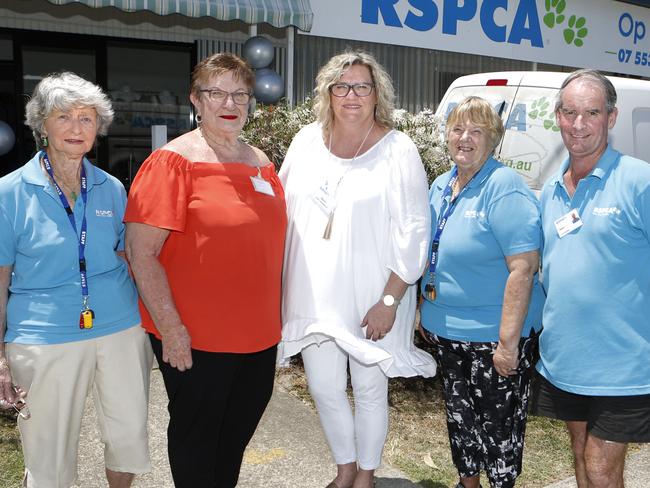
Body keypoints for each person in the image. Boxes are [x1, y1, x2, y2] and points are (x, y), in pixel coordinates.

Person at [124, 53, 286, 488]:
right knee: (198, 441)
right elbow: (142, 253)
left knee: (232, 439)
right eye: (216, 92)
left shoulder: (262, 162)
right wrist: (171, 328)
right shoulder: (172, 162)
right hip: (198, 338)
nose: (229, 102)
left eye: (240, 93)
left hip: (258, 336)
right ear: (196, 99)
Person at [279, 50, 435, 488]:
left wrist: (389, 300)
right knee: (324, 388)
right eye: (342, 86)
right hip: (313, 293)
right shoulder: (305, 142)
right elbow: (283, 212)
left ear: (376, 94)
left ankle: (365, 474)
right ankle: (344, 468)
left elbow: (413, 230)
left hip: (375, 296)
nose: (351, 95)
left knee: (369, 390)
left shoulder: (397, 149)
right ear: (328, 93)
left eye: (362, 86)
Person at [0, 72, 152, 487]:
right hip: (43, 335)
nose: (76, 128)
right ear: (41, 125)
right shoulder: (9, 193)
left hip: (120, 328)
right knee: (49, 455)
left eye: (87, 118)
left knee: (128, 438)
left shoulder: (111, 188)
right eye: (64, 116)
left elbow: (129, 256)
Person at [419, 96, 545, 488]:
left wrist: (508, 343)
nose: (465, 138)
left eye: (477, 131)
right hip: (447, 330)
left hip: (493, 338)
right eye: (457, 129)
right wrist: (426, 311)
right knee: (460, 419)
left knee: (499, 429)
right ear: (446, 134)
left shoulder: (504, 187)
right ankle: (467, 482)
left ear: (494, 139)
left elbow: (523, 269)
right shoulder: (441, 184)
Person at [533, 69, 650, 488]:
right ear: (558, 116)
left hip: (625, 365)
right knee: (582, 459)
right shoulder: (550, 191)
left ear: (612, 118)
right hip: (566, 361)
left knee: (601, 467)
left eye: (591, 113)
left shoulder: (639, 181)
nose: (579, 124)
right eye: (569, 112)